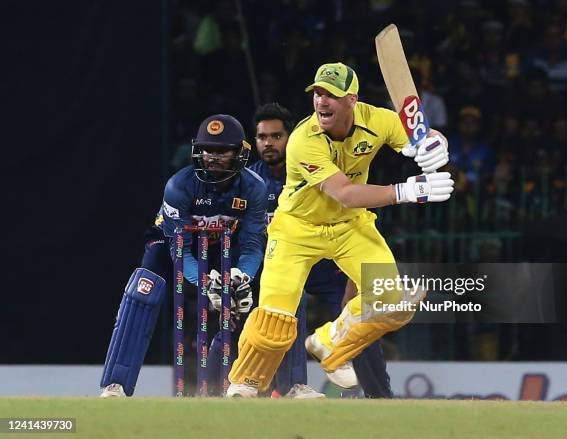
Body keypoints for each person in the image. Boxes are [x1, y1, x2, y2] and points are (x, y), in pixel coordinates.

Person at [226, 63, 454, 397]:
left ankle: (329, 344)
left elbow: (423, 134)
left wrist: (435, 145)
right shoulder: (303, 139)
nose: (321, 101)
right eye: (317, 93)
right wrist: (407, 191)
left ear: (351, 99)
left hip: (349, 227)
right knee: (274, 322)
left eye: (330, 94)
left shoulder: (377, 120)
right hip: (296, 230)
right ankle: (244, 384)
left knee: (393, 300)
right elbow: (344, 194)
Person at [100, 114, 267, 397]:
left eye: (222, 151)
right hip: (171, 245)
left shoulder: (254, 187)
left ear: (239, 153)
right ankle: (115, 384)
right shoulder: (179, 186)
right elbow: (180, 250)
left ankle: (228, 386)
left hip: (225, 245)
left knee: (253, 296)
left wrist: (242, 276)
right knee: (144, 290)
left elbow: (252, 246)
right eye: (207, 150)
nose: (212, 157)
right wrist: (206, 284)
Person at [250, 102, 392, 398]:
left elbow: (355, 223)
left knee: (361, 315)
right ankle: (290, 387)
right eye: (263, 137)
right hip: (286, 265)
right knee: (284, 309)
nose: (269, 143)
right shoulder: (250, 182)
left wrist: (353, 285)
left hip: (330, 268)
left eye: (277, 136)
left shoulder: (320, 165)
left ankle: (380, 396)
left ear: (293, 136)